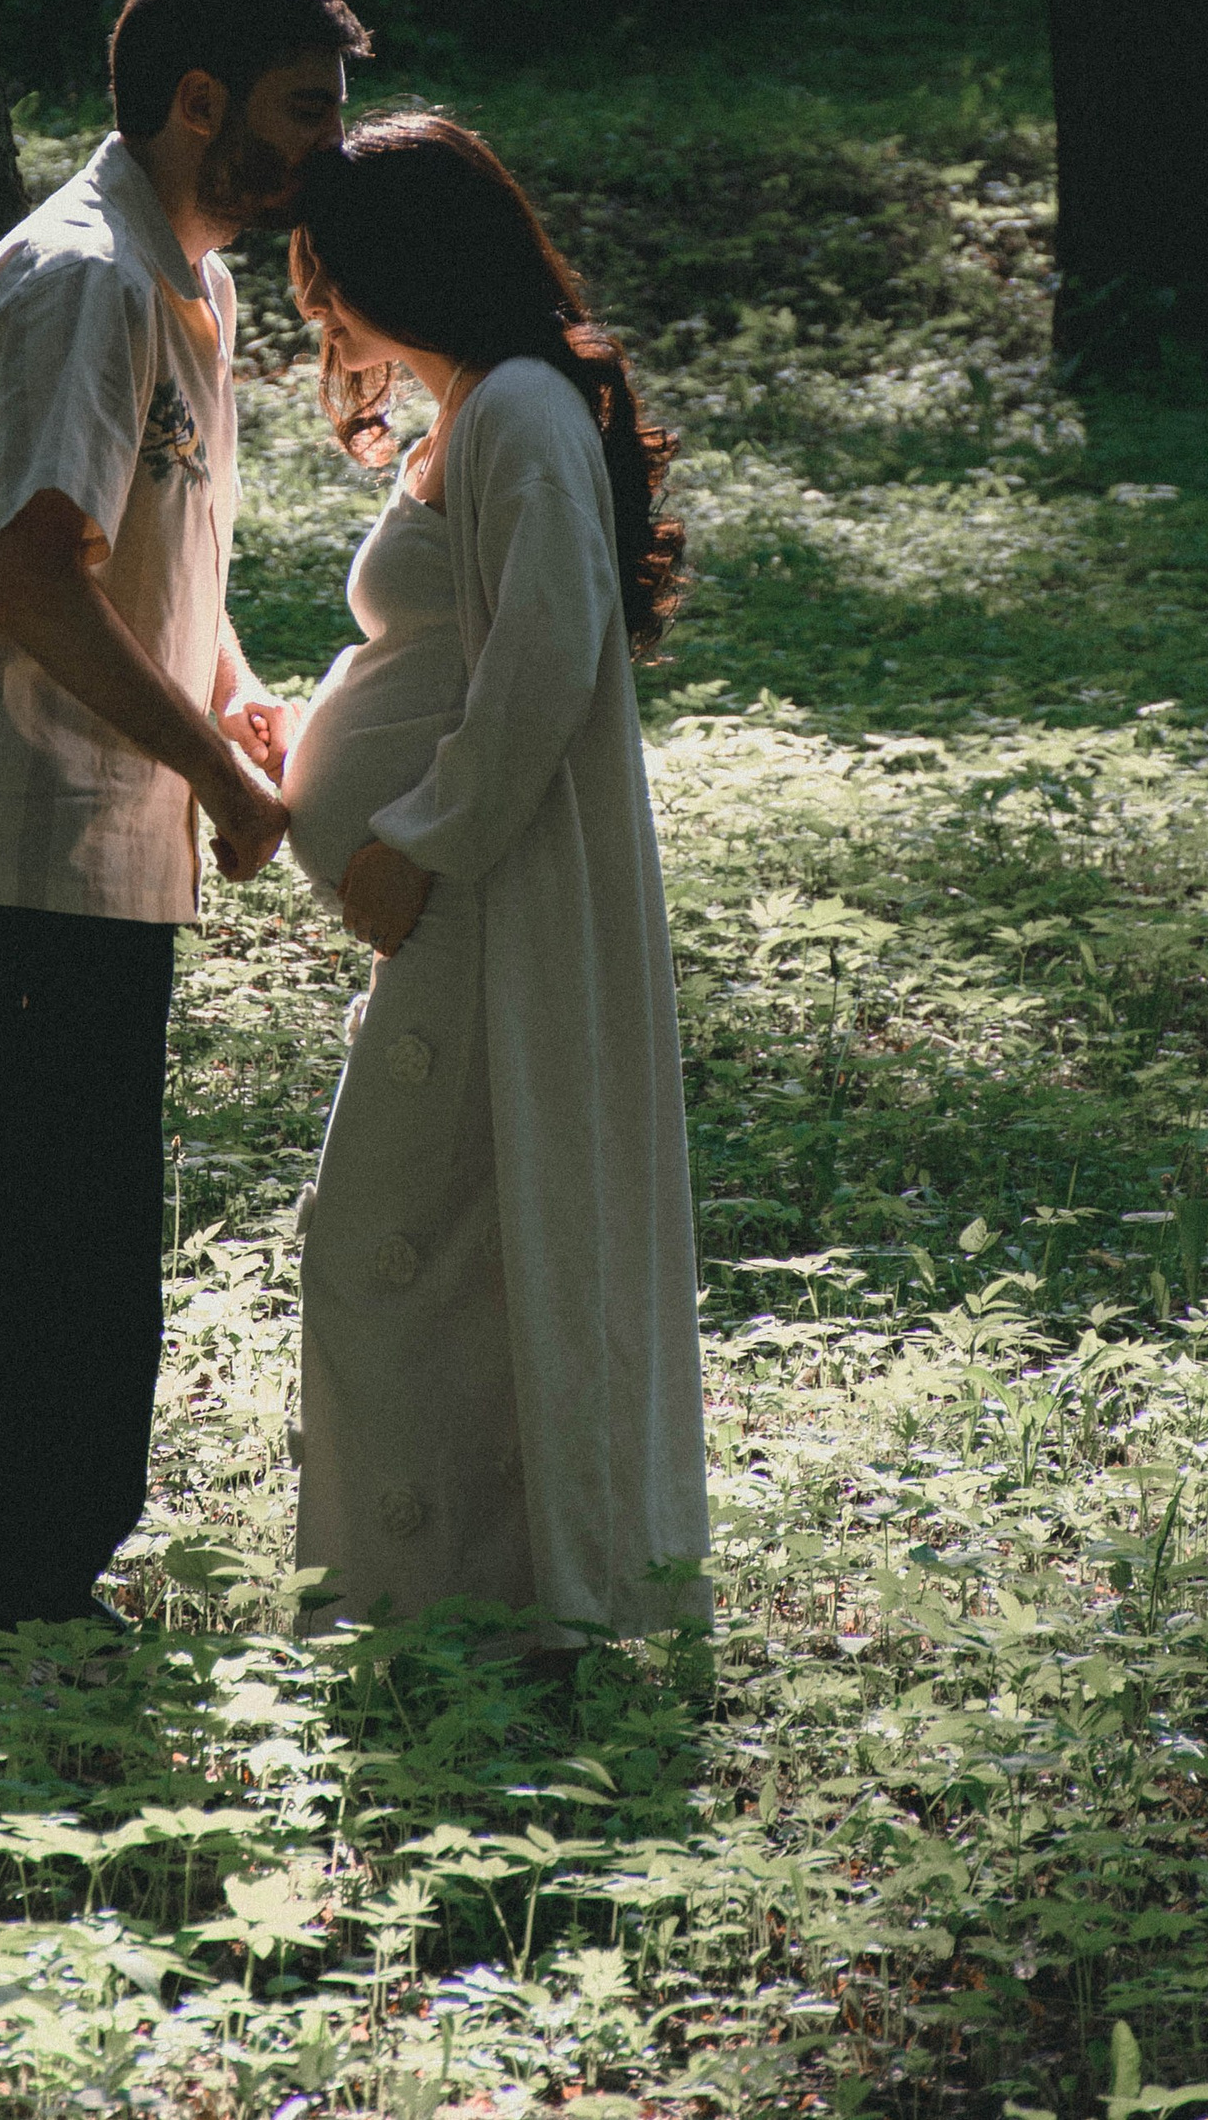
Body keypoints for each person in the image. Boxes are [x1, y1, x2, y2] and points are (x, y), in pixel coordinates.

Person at [0, 0, 371, 1679]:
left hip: (88, 848)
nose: (326, 154)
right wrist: (220, 769)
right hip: (6, 840)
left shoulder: (186, 282)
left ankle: (49, 1589)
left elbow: (141, 561)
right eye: (303, 113)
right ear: (196, 101)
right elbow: (32, 579)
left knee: (78, 1245)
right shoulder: (90, 278)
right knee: (12, 1248)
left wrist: (228, 689)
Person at [280, 114, 710, 1648]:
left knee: (397, 1236)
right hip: (456, 888)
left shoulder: (520, 407)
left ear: (405, 260)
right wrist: (309, 732)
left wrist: (423, 838)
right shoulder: (479, 408)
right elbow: (448, 649)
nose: (315, 305)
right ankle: (454, 1586)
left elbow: (548, 649)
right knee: (447, 1238)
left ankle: (472, 1594)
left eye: (328, 271)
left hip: (489, 890)